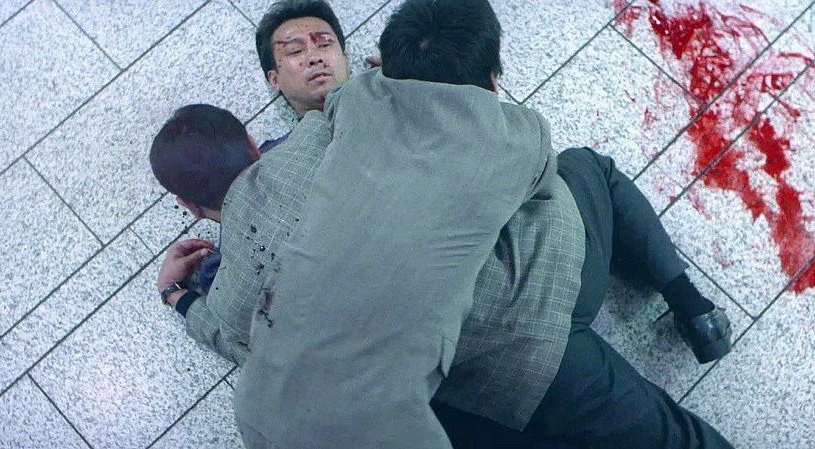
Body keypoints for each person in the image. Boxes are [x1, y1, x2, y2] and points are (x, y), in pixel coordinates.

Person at [152, 0, 733, 447]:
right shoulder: (332, 129)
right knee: (584, 169)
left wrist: (178, 297)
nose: (314, 56)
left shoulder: (238, 266)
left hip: (463, 383)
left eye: (324, 42)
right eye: (293, 52)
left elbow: (239, 337)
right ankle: (689, 301)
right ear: (270, 87)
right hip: (533, 308)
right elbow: (522, 173)